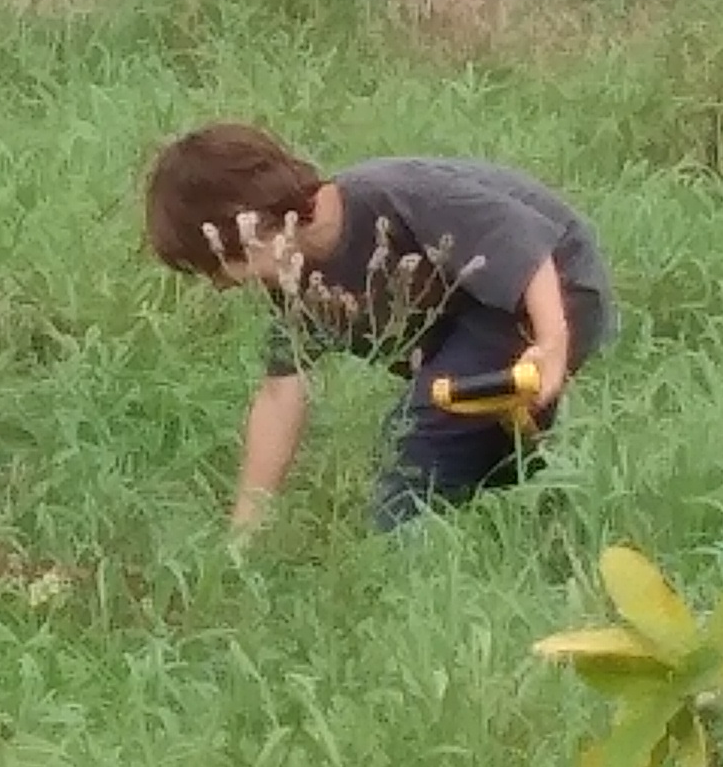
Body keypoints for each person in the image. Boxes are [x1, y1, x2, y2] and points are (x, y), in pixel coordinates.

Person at [140, 124, 613, 534]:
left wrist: (552, 343)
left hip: (552, 283)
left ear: (247, 221)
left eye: (218, 265)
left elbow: (523, 241)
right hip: (469, 321)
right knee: (485, 455)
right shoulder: (289, 273)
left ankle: (406, 577)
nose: (222, 284)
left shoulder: (392, 194)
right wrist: (245, 532)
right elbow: (282, 392)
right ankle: (554, 522)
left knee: (416, 441)